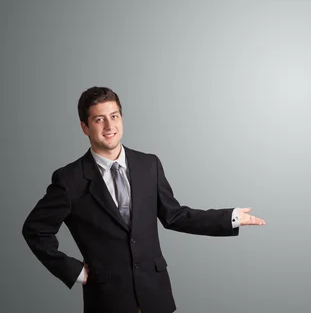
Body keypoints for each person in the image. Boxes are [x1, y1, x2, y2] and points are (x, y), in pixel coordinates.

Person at [22, 86, 265, 313]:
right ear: (84, 127)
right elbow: (35, 230)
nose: (109, 125)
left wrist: (230, 217)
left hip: (155, 295)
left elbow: (175, 216)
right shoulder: (69, 179)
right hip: (107, 299)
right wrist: (75, 272)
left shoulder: (149, 165)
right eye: (99, 119)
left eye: (114, 116)